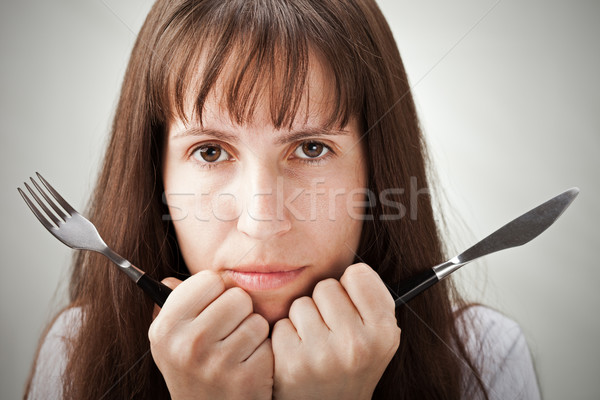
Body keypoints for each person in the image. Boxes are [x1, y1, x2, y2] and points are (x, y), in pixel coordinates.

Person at [24, 0, 541, 399]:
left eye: (311, 148)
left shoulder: (485, 357)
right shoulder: (74, 349)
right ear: (154, 172)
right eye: (210, 151)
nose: (262, 220)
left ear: (375, 171)